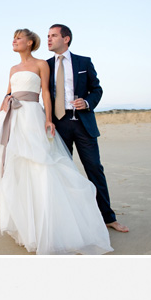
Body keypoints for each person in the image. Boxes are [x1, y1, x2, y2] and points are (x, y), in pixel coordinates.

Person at [0, 29, 113, 255]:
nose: (14, 41)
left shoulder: (58, 63)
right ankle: (37, 220)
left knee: (73, 167)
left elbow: (51, 92)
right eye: (13, 38)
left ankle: (102, 217)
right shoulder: (24, 67)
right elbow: (9, 94)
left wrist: (55, 116)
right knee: (29, 167)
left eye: (19, 37)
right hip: (26, 120)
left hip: (53, 119)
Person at [47, 24, 129, 235]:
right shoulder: (45, 65)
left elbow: (97, 89)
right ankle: (69, 218)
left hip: (83, 124)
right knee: (62, 172)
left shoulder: (84, 62)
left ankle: (108, 217)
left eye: (53, 35)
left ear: (66, 39)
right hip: (58, 124)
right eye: (48, 36)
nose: (49, 39)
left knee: (94, 168)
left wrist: (88, 102)